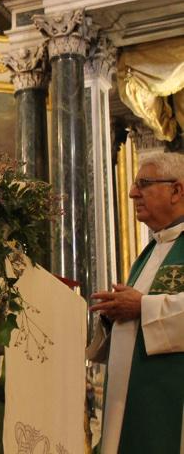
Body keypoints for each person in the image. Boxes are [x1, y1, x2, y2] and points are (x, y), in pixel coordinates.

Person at [90, 152, 184, 454]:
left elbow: (143, 308)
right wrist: (112, 313)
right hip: (129, 402)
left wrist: (142, 308)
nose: (132, 193)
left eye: (143, 184)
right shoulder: (151, 251)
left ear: (177, 190)